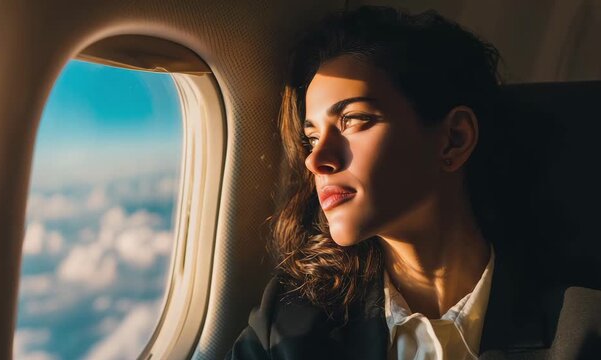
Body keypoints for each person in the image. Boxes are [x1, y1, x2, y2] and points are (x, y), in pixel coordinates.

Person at [226, 6, 601, 360]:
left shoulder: (582, 326)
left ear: (454, 138)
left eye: (354, 120)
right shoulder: (288, 326)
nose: (315, 159)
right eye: (311, 138)